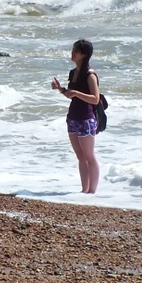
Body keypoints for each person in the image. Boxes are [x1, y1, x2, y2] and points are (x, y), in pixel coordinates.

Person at [51, 39, 101, 193]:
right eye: (73, 50)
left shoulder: (90, 75)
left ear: (84, 54)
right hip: (73, 117)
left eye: (76, 51)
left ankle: (92, 191)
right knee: (80, 156)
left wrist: (76, 93)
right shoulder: (73, 72)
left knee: (89, 156)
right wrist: (61, 89)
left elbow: (95, 98)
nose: (72, 53)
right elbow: (71, 95)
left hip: (86, 118)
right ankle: (84, 191)